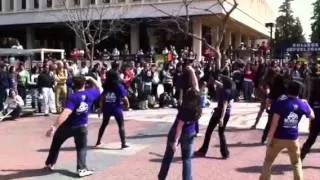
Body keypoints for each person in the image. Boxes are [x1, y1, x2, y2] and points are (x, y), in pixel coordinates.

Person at [44, 76, 102, 177]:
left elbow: (66, 113)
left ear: (74, 85)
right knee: (81, 148)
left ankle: (50, 163)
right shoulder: (90, 93)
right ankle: (82, 169)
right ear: (85, 84)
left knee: (56, 142)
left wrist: (54, 127)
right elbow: (100, 87)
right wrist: (91, 78)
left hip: (67, 126)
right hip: (81, 127)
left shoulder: (73, 97)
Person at [259, 81, 314, 180]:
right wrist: (306, 103)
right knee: (296, 163)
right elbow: (312, 116)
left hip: (278, 137)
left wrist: (269, 139)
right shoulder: (302, 104)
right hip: (293, 138)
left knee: (268, 162)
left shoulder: (280, 102)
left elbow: (274, 124)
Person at [158, 88, 202, 180]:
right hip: (190, 133)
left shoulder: (184, 109)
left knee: (168, 157)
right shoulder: (198, 106)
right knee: (187, 159)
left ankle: (162, 177)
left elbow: (179, 126)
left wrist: (175, 141)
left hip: (176, 132)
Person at [194, 75, 234, 159]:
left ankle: (203, 151)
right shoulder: (230, 90)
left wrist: (221, 118)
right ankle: (225, 153)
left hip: (220, 113)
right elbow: (220, 84)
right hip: (227, 114)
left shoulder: (224, 92)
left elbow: (224, 105)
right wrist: (215, 80)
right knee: (221, 133)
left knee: (209, 131)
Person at [95, 70, 130, 148]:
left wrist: (100, 108)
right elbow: (124, 98)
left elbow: (102, 98)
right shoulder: (119, 86)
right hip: (116, 108)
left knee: (104, 124)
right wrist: (127, 105)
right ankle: (123, 143)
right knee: (121, 125)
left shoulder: (105, 85)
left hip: (107, 108)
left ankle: (98, 141)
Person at [300, 78, 320, 160]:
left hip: (316, 112)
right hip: (317, 112)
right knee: (311, 138)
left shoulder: (316, 81)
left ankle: (301, 157)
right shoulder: (316, 81)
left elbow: (311, 96)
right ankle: (301, 157)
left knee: (311, 138)